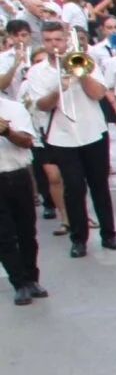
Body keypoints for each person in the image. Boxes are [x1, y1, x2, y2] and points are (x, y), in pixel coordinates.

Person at [24, 23, 116, 256]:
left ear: (66, 41)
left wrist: (80, 75)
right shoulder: (37, 72)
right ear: (44, 42)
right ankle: (79, 238)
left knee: (99, 185)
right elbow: (41, 105)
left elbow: (98, 94)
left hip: (92, 132)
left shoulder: (84, 60)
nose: (54, 45)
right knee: (73, 187)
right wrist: (57, 87)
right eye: (49, 40)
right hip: (62, 137)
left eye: (58, 40)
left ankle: (109, 235)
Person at [0, 78, 41, 305]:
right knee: (4, 236)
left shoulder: (14, 109)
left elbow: (26, 141)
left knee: (27, 232)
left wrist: (7, 131)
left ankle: (32, 278)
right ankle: (19, 283)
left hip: (17, 176)